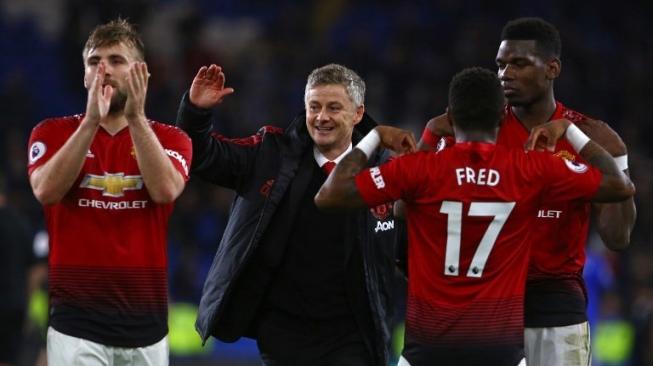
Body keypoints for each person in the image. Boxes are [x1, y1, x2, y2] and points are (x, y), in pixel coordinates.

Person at [315, 67, 635, 366]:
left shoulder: (419, 169)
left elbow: (330, 195)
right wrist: (570, 130)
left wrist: (373, 137)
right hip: (501, 352)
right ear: (501, 116)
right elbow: (620, 186)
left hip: (426, 352)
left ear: (450, 117)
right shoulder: (530, 169)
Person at [415, 17, 637, 365]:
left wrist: (614, 157)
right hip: (484, 307)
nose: (505, 74)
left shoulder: (595, 138)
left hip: (555, 307)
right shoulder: (476, 130)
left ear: (552, 68)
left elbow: (617, 236)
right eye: (501, 65)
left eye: (519, 64)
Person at [175, 63, 400, 365]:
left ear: (358, 113)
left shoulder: (385, 170)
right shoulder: (272, 155)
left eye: (334, 108)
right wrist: (196, 112)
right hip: (284, 334)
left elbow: (408, 246)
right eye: (314, 107)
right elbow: (204, 157)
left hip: (354, 334)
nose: (322, 117)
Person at [27, 19, 192, 365]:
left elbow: (165, 190)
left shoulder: (173, 139)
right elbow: (45, 191)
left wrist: (136, 119)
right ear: (85, 75)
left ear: (140, 73)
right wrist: (90, 123)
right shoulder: (51, 132)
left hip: (147, 328)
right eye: (94, 62)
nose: (104, 69)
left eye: (116, 60)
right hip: (76, 327)